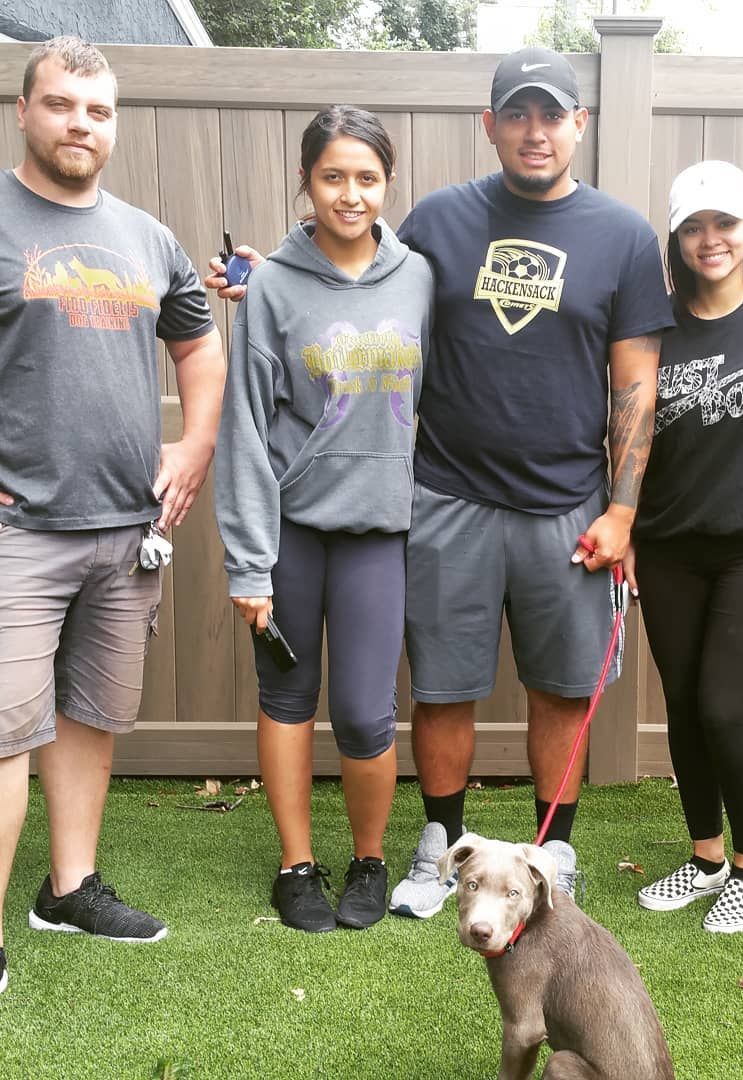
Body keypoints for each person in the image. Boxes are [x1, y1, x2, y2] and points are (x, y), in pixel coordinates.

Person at [207, 47, 672, 918]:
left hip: (569, 505)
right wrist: (259, 280)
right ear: (489, 125)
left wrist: (621, 507)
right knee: (446, 685)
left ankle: (550, 849)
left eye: (553, 115)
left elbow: (637, 382)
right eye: (519, 115)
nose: (536, 131)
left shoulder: (624, 236)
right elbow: (352, 274)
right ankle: (440, 843)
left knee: (562, 687)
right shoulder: (439, 223)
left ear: (580, 124)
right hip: (446, 495)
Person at [0, 37, 225, 995]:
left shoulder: (145, 235)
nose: (79, 124)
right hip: (19, 527)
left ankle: (70, 887)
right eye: (60, 105)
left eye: (96, 110)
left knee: (90, 716)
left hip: (127, 533)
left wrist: (194, 443)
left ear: (114, 122)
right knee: (6, 729)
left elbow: (200, 346)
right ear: (24, 111)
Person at [215, 107, 434, 933]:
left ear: (387, 183)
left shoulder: (417, 278)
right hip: (294, 532)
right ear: (306, 182)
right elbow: (243, 427)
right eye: (332, 176)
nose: (350, 194)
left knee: (367, 713)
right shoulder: (272, 283)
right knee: (287, 697)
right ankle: (296, 865)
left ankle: (369, 861)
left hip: (379, 532)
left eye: (366, 177)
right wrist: (247, 562)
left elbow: (435, 399)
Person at [627, 162, 743, 934]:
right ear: (676, 239)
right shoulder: (655, 322)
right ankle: (706, 859)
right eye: (694, 227)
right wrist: (626, 524)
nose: (712, 240)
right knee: (681, 707)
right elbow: (628, 429)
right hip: (668, 544)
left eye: (725, 224)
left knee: (723, 706)